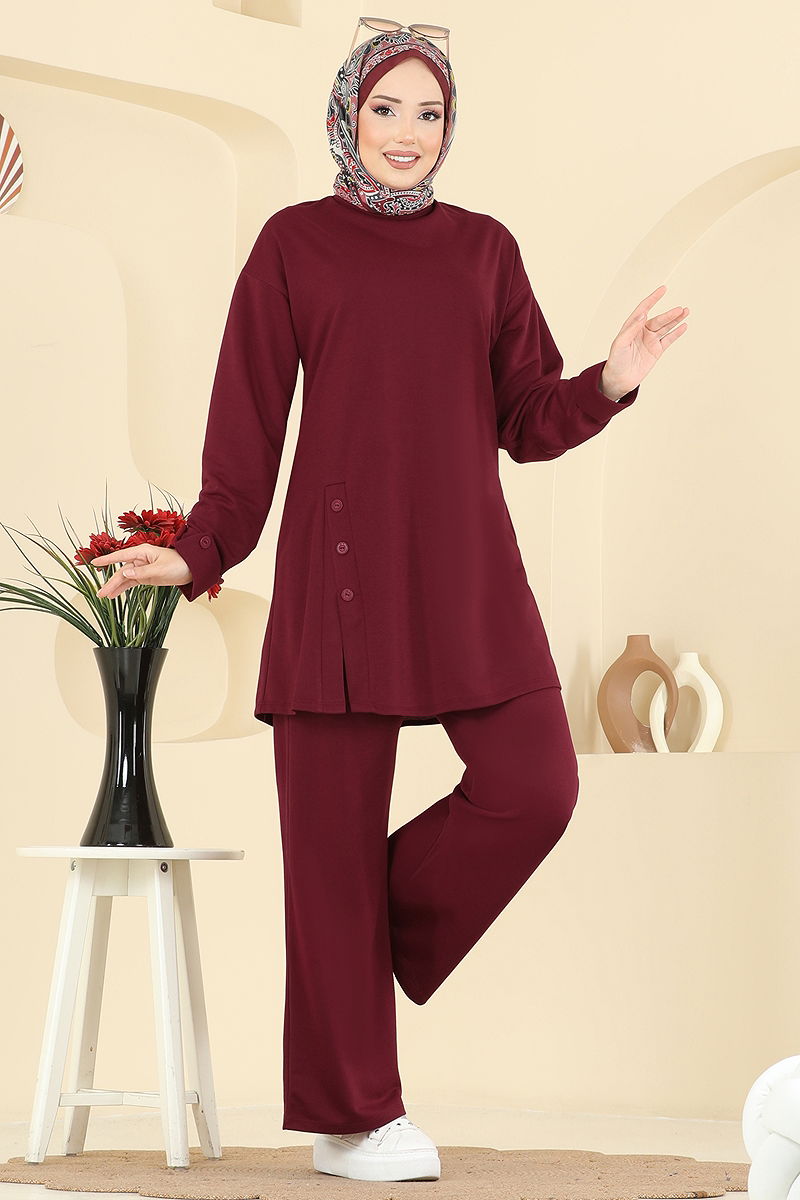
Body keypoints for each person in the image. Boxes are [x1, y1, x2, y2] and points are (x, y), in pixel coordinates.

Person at [90, 19, 689, 1184]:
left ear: (448, 126)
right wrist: (197, 551)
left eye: (428, 112)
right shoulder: (292, 244)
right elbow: (247, 426)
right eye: (385, 108)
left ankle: (353, 942)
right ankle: (352, 1118)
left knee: (533, 787)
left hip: (466, 573)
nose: (407, 133)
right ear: (346, 114)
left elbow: (527, 419)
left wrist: (610, 380)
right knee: (326, 852)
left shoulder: (483, 250)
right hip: (339, 582)